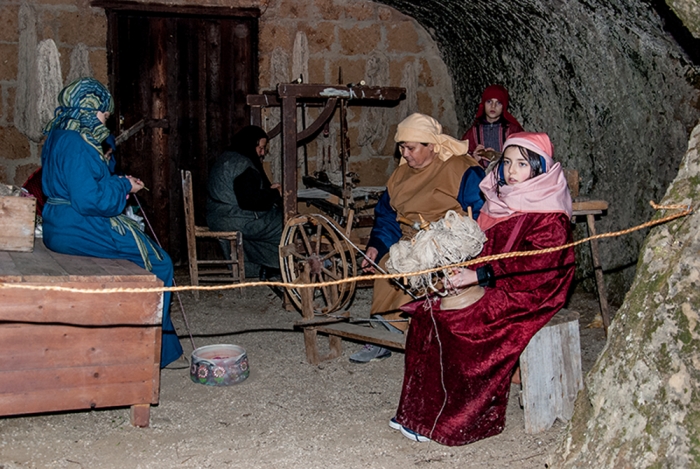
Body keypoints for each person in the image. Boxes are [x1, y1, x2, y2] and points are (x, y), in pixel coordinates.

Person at [391, 132, 575, 445]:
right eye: (506, 163)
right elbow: (486, 249)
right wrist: (460, 267)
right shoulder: (502, 199)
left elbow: (534, 266)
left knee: (462, 326)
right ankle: (418, 414)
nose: (511, 171)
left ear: (540, 169)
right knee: (428, 313)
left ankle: (454, 421)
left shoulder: (549, 214)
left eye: (521, 164)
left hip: (532, 292)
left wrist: (478, 277)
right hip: (496, 280)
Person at [40, 77, 183, 368]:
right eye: (104, 113)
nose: (106, 119)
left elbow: (80, 185)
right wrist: (123, 188)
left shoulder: (59, 134)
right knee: (159, 263)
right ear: (92, 108)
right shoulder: (77, 142)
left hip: (59, 223)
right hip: (79, 225)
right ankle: (152, 351)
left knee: (150, 257)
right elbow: (89, 200)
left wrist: (118, 180)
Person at [349, 113, 486, 364]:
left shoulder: (460, 169)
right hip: (409, 242)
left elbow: (481, 212)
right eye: (401, 147)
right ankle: (385, 331)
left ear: (431, 145)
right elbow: (388, 218)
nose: (405, 154)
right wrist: (376, 248)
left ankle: (426, 336)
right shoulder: (400, 177)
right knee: (391, 264)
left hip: (448, 245)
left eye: (410, 147)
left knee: (421, 268)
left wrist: (457, 247)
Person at [206, 125, 283, 280]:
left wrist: (268, 191)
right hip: (234, 219)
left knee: (267, 224)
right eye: (260, 148)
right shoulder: (243, 165)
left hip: (218, 216)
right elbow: (250, 201)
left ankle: (260, 268)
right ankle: (279, 265)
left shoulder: (228, 157)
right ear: (250, 144)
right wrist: (275, 193)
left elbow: (245, 193)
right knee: (283, 223)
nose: (262, 153)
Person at [461, 85, 524, 168]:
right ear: (483, 104)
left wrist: (499, 156)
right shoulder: (474, 132)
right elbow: (462, 157)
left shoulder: (512, 130)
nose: (493, 106)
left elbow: (523, 156)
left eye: (498, 103)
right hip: (482, 177)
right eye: (489, 101)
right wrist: (474, 158)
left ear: (503, 107)